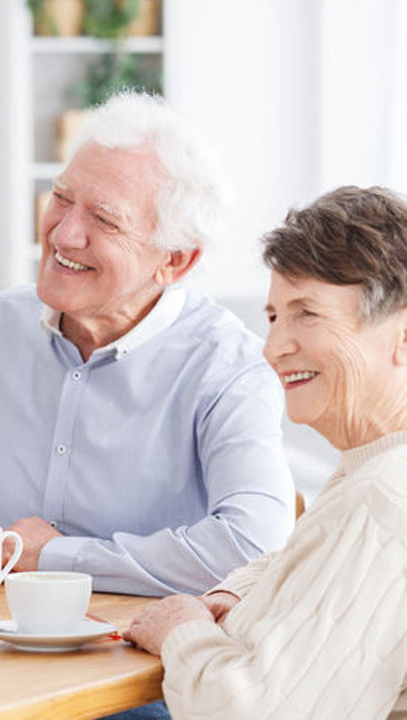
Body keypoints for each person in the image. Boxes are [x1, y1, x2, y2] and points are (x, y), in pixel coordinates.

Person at [0, 93, 295, 597]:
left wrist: (59, 557)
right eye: (61, 197)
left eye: (104, 218)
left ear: (175, 261)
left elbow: (253, 546)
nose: (64, 233)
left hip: (147, 662)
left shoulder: (229, 370)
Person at [125, 186, 407, 719]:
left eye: (308, 314)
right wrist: (235, 595)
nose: (273, 346)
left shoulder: (382, 499)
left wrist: (182, 629)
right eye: (275, 316)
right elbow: (318, 565)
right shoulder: (373, 471)